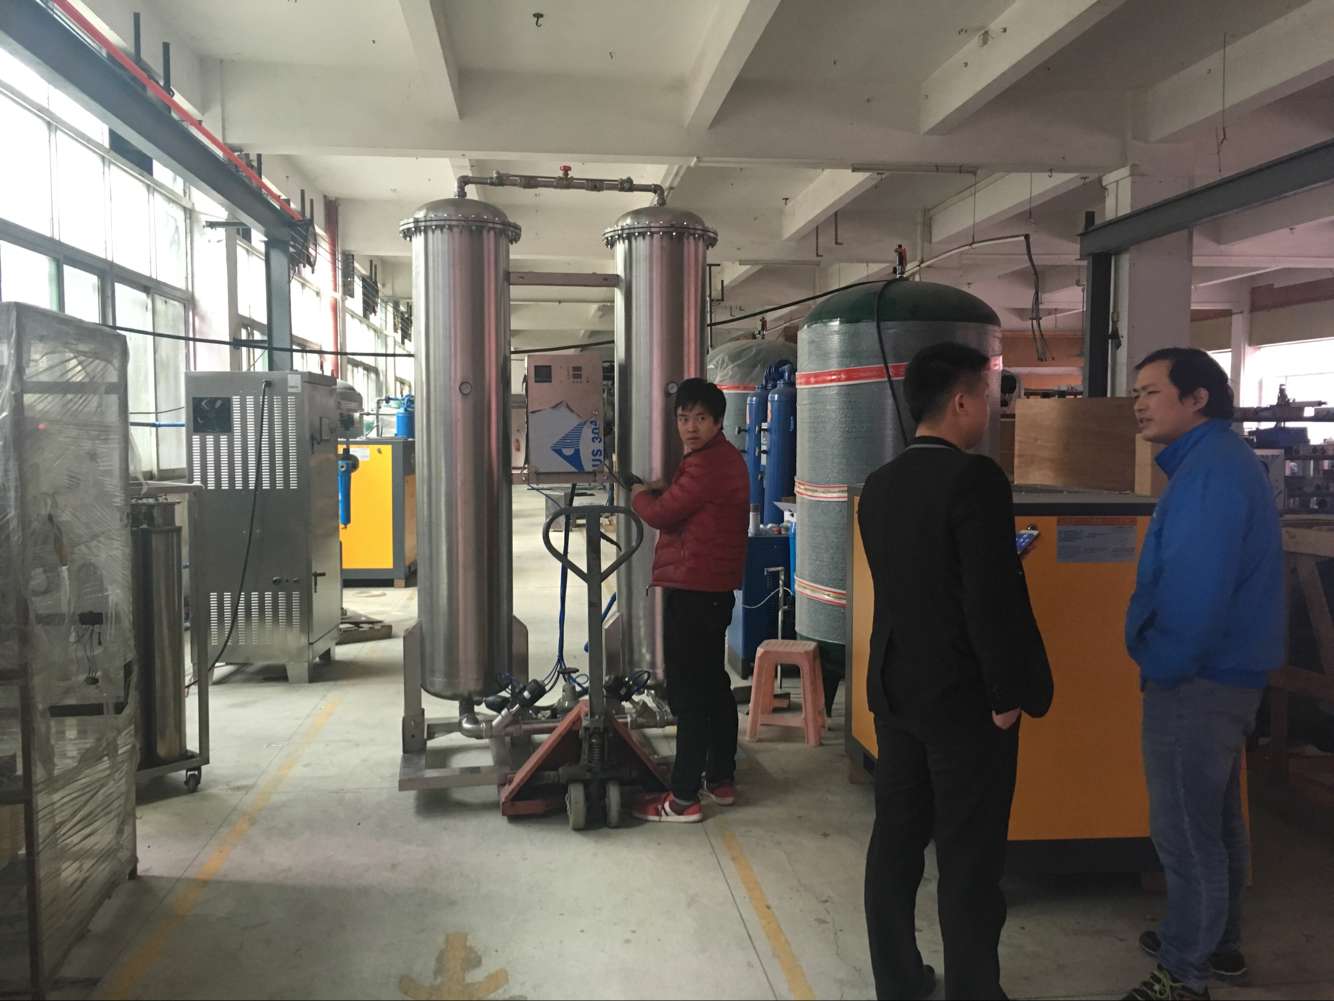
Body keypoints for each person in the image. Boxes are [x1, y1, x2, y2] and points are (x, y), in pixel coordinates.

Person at [859, 342, 1051, 1001]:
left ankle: (899, 980)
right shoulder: (977, 479)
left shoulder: (879, 485)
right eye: (988, 396)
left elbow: (915, 582)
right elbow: (987, 601)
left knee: (896, 843)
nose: (990, 409)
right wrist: (1005, 692)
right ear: (962, 401)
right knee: (969, 857)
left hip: (895, 690)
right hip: (964, 700)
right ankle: (974, 989)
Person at [1123, 348, 1284, 1001]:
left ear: (1197, 399)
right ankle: (1217, 942)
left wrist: (1160, 662)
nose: (1139, 404)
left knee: (1187, 834)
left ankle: (1184, 974)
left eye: (1152, 391)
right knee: (1215, 820)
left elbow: (1195, 593)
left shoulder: (1210, 475)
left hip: (1197, 679)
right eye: (1137, 392)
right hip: (1228, 674)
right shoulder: (1216, 463)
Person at [628, 378, 750, 824]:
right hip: (712, 590)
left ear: (718, 421)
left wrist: (639, 495)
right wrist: (667, 486)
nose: (691, 427)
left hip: (694, 591)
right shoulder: (716, 459)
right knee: (714, 686)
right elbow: (692, 503)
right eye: (683, 418)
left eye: (700, 418)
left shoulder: (706, 465)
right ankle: (721, 778)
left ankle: (683, 798)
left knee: (689, 693)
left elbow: (662, 514)